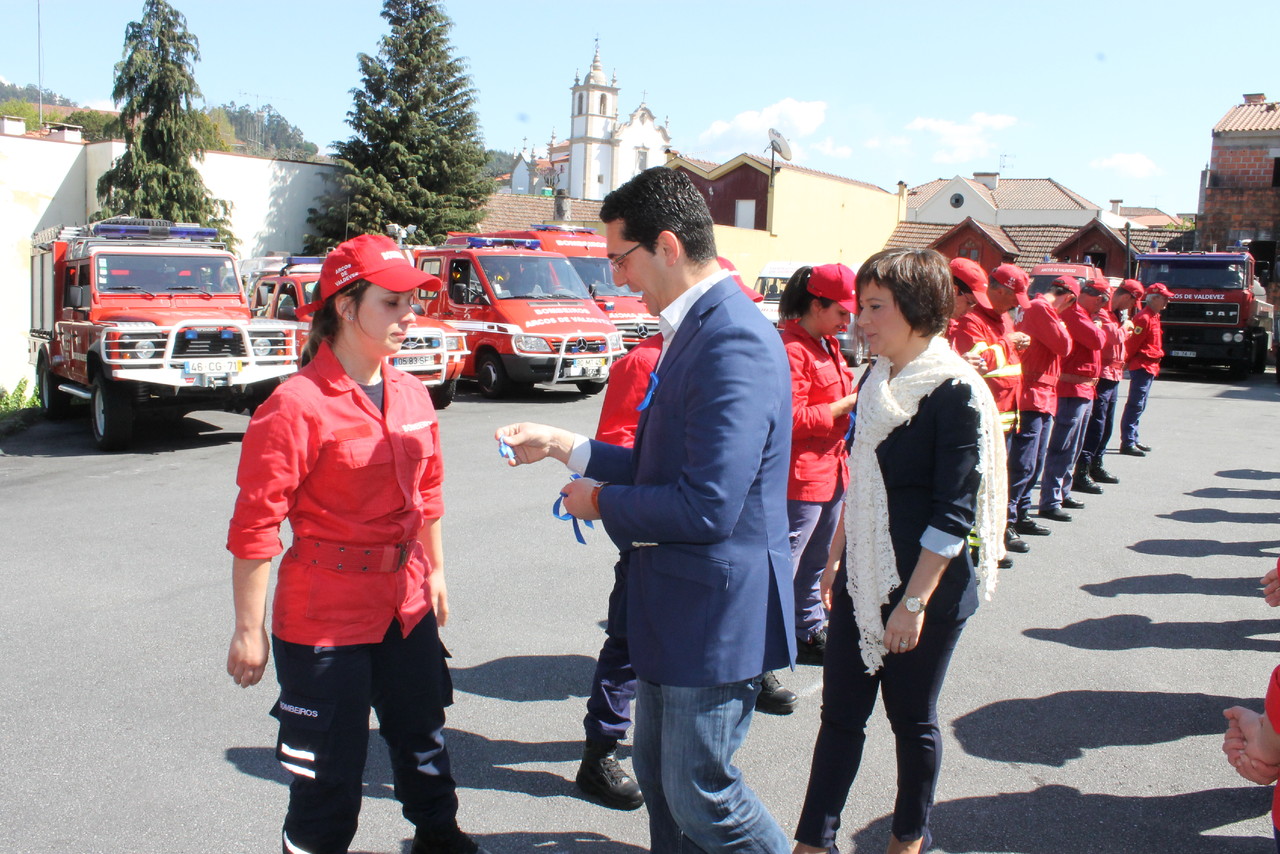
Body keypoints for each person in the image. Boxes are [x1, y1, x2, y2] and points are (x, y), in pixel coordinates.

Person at [497, 167, 795, 853]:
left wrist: (599, 501)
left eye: (619, 259)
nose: (617, 278)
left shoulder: (732, 340)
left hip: (711, 615)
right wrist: (567, 447)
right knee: (665, 788)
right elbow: (668, 468)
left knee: (702, 795)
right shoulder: (700, 329)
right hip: (680, 607)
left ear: (665, 246)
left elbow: (707, 506)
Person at [224, 234, 485, 854]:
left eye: (411, 302)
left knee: (423, 741)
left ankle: (438, 838)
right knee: (327, 779)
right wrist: (248, 628)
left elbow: (430, 494)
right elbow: (256, 525)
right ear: (345, 306)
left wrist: (438, 573)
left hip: (407, 603)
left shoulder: (415, 393)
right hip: (325, 619)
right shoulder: (295, 405)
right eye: (392, 302)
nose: (409, 314)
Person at [793, 248, 1005, 854]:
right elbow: (861, 481)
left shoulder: (955, 391)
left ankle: (908, 837)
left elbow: (953, 512)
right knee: (839, 718)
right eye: (859, 307)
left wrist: (912, 603)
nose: (861, 320)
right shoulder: (874, 379)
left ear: (917, 309)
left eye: (875, 307)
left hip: (927, 591)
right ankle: (813, 842)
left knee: (910, 721)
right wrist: (836, 557)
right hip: (865, 575)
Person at [777, 264, 859, 666]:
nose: (848, 321)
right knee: (783, 567)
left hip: (831, 471)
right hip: (802, 477)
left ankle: (806, 630)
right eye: (841, 312)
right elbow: (787, 420)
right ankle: (764, 653)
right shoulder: (793, 349)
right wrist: (840, 407)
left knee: (817, 560)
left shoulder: (826, 344)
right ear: (816, 305)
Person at [951, 262, 1029, 559]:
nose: (1014, 304)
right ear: (999, 290)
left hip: (1007, 415)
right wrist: (1008, 343)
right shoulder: (972, 319)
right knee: (977, 486)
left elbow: (1003, 360)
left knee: (994, 485)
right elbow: (976, 359)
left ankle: (986, 544)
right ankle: (972, 552)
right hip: (985, 414)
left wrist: (1011, 344)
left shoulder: (1003, 318)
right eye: (1012, 296)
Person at [1005, 277, 1074, 540]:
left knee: (1033, 462)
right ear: (1068, 297)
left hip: (1040, 393)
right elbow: (1064, 345)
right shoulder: (1042, 309)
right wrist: (1062, 326)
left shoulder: (1034, 308)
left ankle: (1020, 515)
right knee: (1023, 463)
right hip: (1033, 393)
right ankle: (1009, 520)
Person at [1037, 278, 1106, 520]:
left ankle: (1061, 493)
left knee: (1073, 447)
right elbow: (1097, 340)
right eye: (1100, 298)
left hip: (1084, 388)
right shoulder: (1075, 315)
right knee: (1062, 446)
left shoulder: (1082, 314)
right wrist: (1100, 328)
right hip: (1071, 389)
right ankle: (1051, 499)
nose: (1102, 304)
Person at [1077, 279, 1140, 485]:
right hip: (1103, 374)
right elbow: (1113, 337)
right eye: (1132, 302)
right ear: (1125, 297)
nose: (1131, 308)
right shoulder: (1103, 312)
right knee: (1096, 424)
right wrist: (1127, 328)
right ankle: (1082, 469)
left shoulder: (1116, 315)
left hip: (1114, 374)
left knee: (1106, 425)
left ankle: (1096, 464)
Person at [1119, 282, 1171, 456]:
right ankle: (1127, 441)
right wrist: (1124, 362)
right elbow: (1132, 344)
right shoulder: (1143, 318)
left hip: (1150, 366)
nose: (1166, 302)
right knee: (1136, 404)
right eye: (1164, 298)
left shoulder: (1154, 316)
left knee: (1140, 404)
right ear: (1154, 298)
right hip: (1142, 366)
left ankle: (1133, 437)